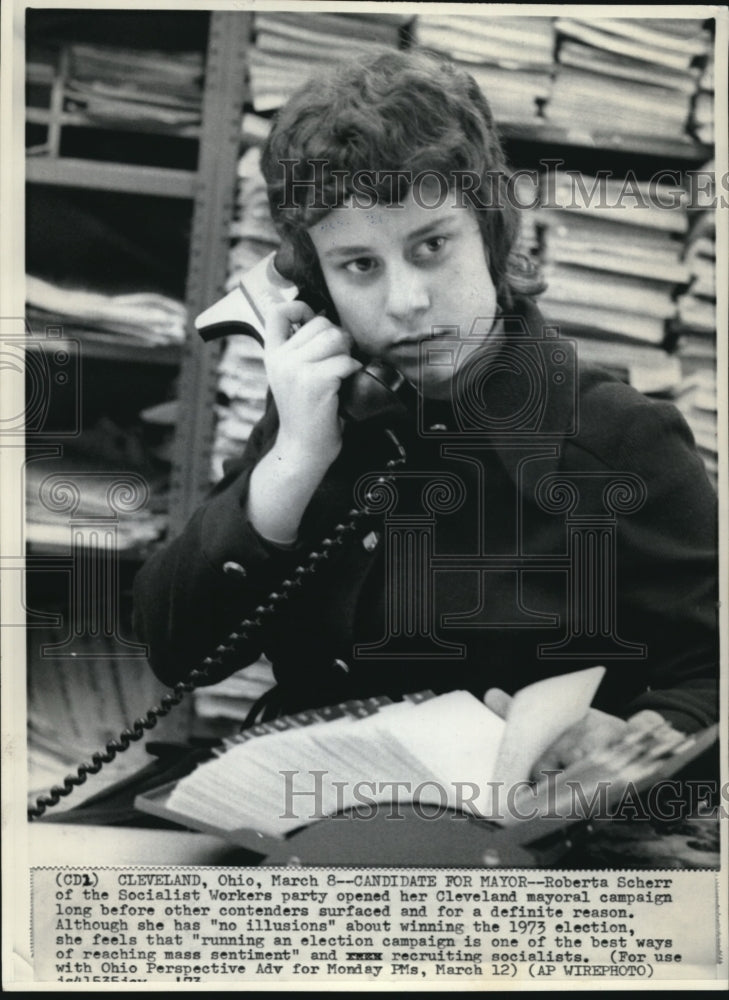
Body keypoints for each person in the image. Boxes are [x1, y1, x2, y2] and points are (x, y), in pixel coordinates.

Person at [133, 49, 718, 775]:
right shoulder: (317, 421)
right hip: (307, 824)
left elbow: (709, 682)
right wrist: (289, 467)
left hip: (522, 848)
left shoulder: (620, 436)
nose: (405, 300)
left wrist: (634, 744)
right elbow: (175, 654)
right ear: (315, 284)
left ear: (491, 230)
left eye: (432, 245)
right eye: (360, 265)